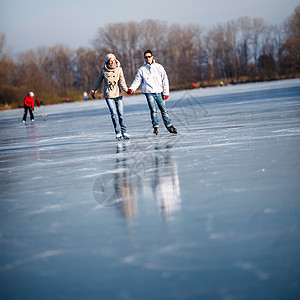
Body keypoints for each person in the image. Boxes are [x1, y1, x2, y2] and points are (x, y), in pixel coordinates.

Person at [127, 50, 177, 135]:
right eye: (146, 57)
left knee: (164, 110)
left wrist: (166, 92)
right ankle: (156, 126)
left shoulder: (159, 67)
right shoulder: (141, 70)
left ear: (152, 57)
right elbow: (137, 81)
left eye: (149, 57)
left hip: (159, 92)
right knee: (153, 110)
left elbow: (165, 80)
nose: (147, 58)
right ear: (144, 58)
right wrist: (132, 89)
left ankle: (169, 126)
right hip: (149, 92)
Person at [91, 53, 130, 140]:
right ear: (107, 61)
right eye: (110, 60)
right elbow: (98, 81)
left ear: (115, 60)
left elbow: (122, 82)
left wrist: (127, 90)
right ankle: (118, 132)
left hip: (118, 93)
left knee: (121, 113)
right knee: (113, 113)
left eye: (113, 60)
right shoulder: (104, 70)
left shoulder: (119, 69)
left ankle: (124, 132)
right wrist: (93, 90)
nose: (112, 62)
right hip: (108, 94)